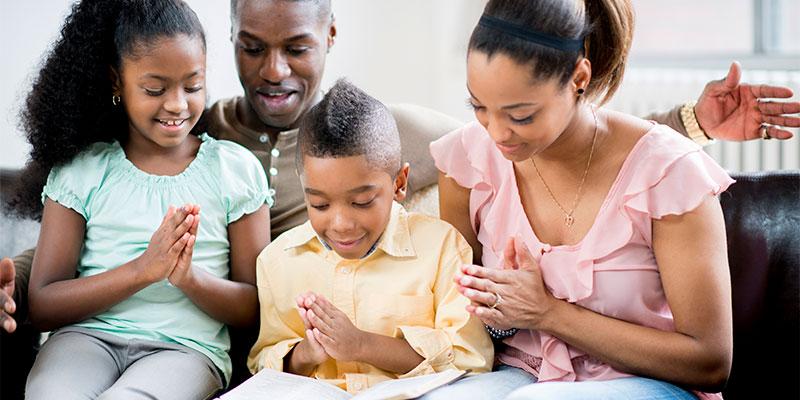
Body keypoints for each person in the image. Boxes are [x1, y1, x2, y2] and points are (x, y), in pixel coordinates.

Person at [425, 0, 737, 399]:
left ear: (578, 77)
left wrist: (549, 313)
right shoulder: (466, 161)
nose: (497, 133)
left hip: (649, 384)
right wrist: (500, 312)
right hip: (522, 375)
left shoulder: (668, 173)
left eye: (521, 115)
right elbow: (462, 318)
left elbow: (710, 362)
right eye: (480, 107)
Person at [17, 1, 270, 399]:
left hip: (186, 350)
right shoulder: (82, 171)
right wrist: (143, 270)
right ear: (117, 82)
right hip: (87, 339)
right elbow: (44, 302)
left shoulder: (234, 171)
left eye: (193, 86)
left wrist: (187, 278)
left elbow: (255, 306)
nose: (177, 104)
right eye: (155, 89)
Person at [247, 79, 493, 393]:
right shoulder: (278, 260)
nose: (341, 224)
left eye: (362, 202)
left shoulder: (442, 247)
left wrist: (362, 345)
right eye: (319, 204)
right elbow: (262, 363)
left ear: (399, 184)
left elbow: (469, 361)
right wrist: (307, 354)